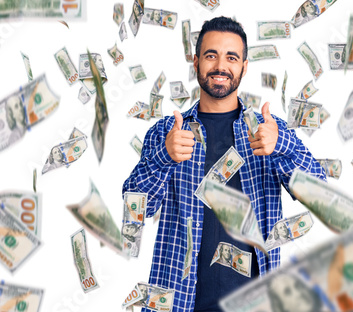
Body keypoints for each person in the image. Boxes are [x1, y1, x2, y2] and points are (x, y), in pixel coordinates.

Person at [122, 16, 326, 312]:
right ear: (196, 63)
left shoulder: (269, 130)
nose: (220, 66)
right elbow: (135, 211)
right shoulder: (168, 132)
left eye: (231, 57)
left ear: (244, 67)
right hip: (179, 302)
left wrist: (281, 145)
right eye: (210, 55)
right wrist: (164, 156)